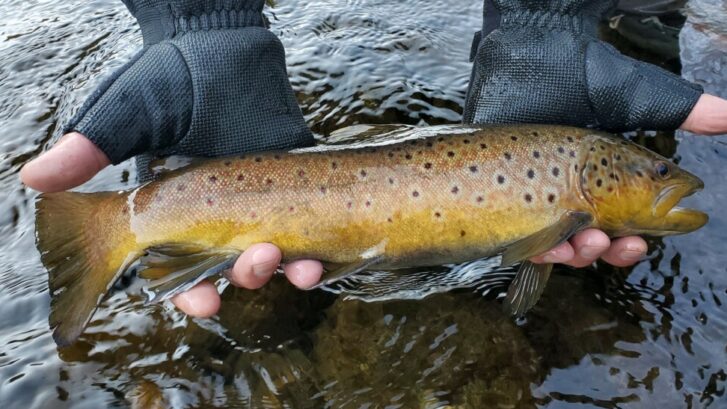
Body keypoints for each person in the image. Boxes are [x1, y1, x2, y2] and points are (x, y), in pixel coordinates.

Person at [20, 0, 727, 318]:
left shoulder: (579, 171)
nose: (672, 181)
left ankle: (626, 27)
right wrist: (198, 16)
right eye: (657, 172)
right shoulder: (573, 185)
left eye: (656, 169)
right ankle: (116, 228)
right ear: (594, 183)